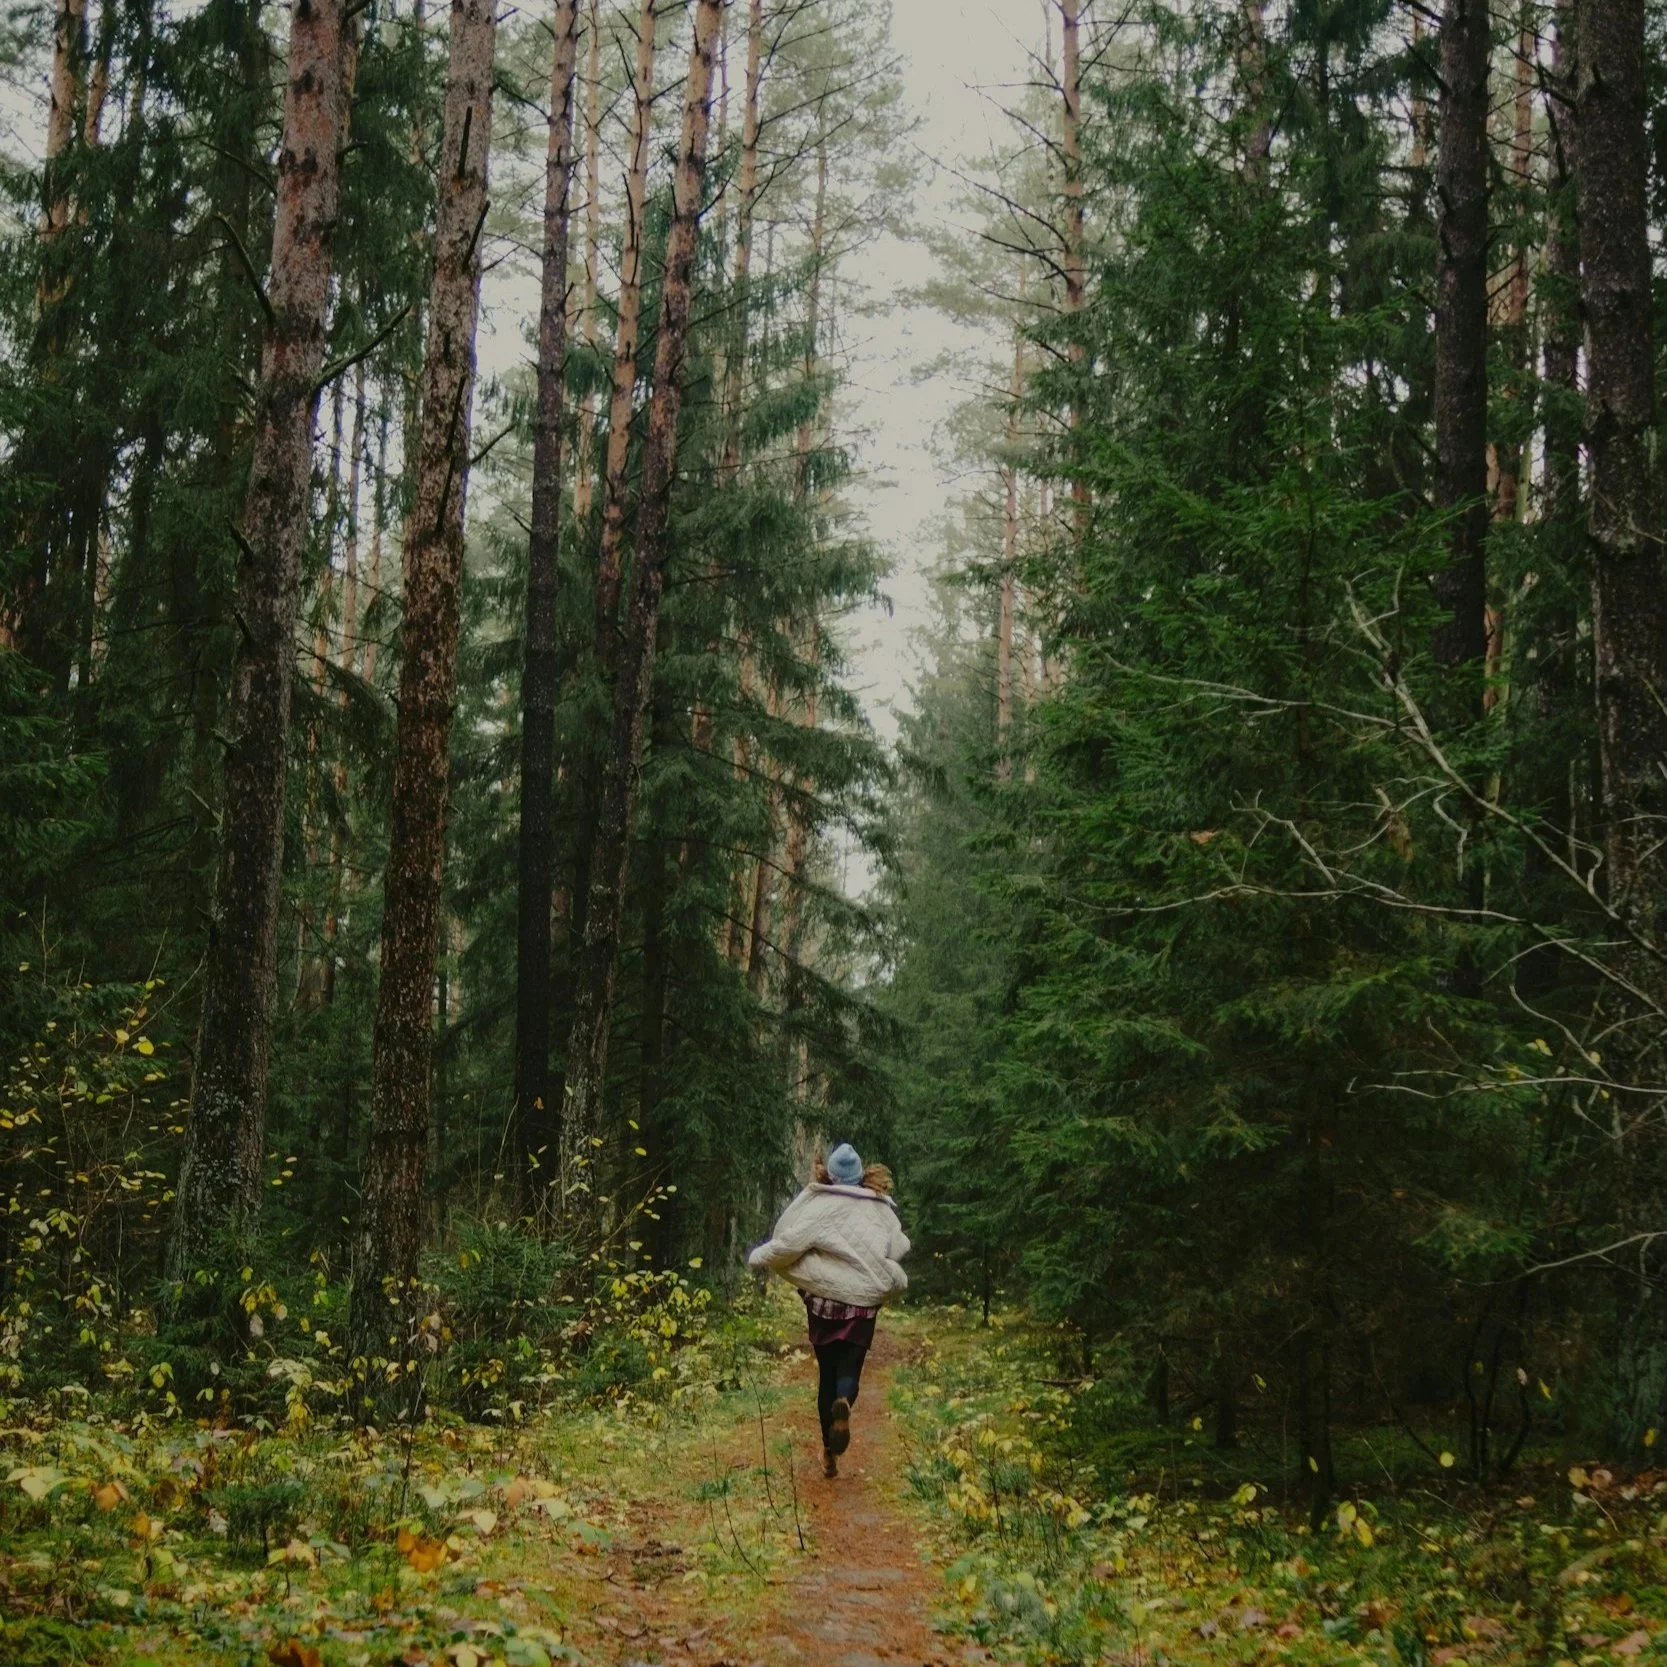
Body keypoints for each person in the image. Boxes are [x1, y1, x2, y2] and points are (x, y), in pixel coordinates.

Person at [747, 1143, 910, 1477]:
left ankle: (829, 1454)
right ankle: (845, 1403)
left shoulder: (820, 1205)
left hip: (824, 1303)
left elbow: (790, 1244)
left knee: (826, 1376)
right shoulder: (879, 1207)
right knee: (849, 1370)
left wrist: (759, 1256)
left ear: (831, 1176)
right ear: (861, 1174)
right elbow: (897, 1246)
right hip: (862, 1304)